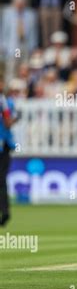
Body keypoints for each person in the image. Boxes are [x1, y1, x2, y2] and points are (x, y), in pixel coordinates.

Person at [0, 75, 19, 226]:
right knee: (1, 180)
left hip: (4, 144)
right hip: (3, 144)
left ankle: (5, 212)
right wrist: (17, 118)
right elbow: (7, 122)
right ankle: (5, 211)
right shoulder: (4, 100)